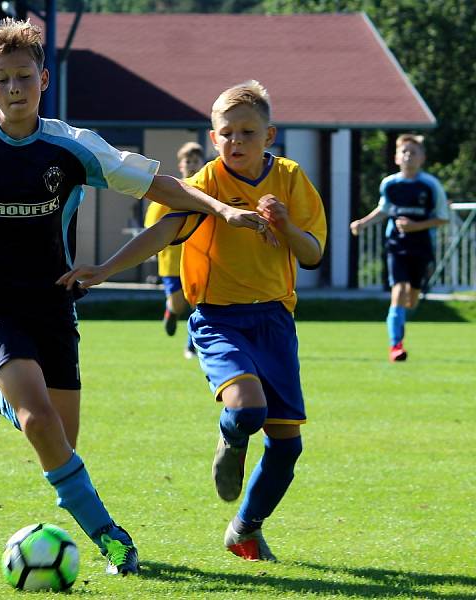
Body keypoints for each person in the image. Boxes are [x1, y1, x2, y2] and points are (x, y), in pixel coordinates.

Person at [0, 20, 268, 576]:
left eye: (24, 77)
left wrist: (222, 209)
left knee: (62, 437)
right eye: (3, 79)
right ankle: (110, 535)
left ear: (44, 80)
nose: (15, 88)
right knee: (40, 424)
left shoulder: (73, 147)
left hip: (55, 297)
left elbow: (156, 184)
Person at [59, 81, 327, 562]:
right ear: (212, 137)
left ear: (270, 136)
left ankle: (245, 528)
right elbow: (161, 231)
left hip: (275, 320)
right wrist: (103, 269)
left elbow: (312, 254)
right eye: (227, 133)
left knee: (287, 447)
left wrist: (285, 225)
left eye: (248, 132)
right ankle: (231, 439)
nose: (237, 142)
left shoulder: (289, 179)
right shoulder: (203, 185)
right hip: (218, 319)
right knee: (248, 410)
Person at [350, 134, 448, 362]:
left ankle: (399, 327)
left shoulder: (430, 185)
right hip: (396, 244)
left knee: (411, 299)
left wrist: (416, 226)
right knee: (399, 290)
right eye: (404, 152)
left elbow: (442, 218)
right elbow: (383, 209)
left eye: (413, 152)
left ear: (422, 158)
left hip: (421, 246)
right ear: (396, 157)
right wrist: (363, 223)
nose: (408, 156)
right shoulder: (390, 184)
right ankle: (395, 346)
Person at [144, 141, 205, 358]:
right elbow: (151, 225)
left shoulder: (206, 191)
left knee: (198, 304)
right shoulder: (172, 190)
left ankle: (192, 345)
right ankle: (171, 312)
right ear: (181, 165)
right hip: (171, 261)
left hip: (199, 259)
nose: (192, 165)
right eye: (187, 161)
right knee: (179, 302)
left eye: (195, 161)